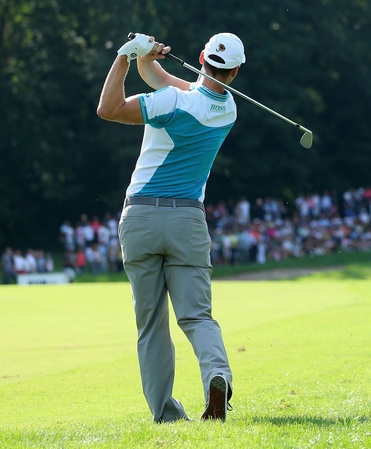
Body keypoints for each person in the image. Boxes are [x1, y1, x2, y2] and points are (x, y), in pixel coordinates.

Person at [97, 32, 245, 422]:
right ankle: (217, 375)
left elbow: (108, 108)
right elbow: (172, 82)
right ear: (235, 72)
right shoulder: (227, 108)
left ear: (200, 57)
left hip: (141, 218)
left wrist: (125, 56)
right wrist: (149, 58)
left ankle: (165, 412)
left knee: (151, 325)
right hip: (188, 222)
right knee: (197, 316)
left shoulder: (170, 102)